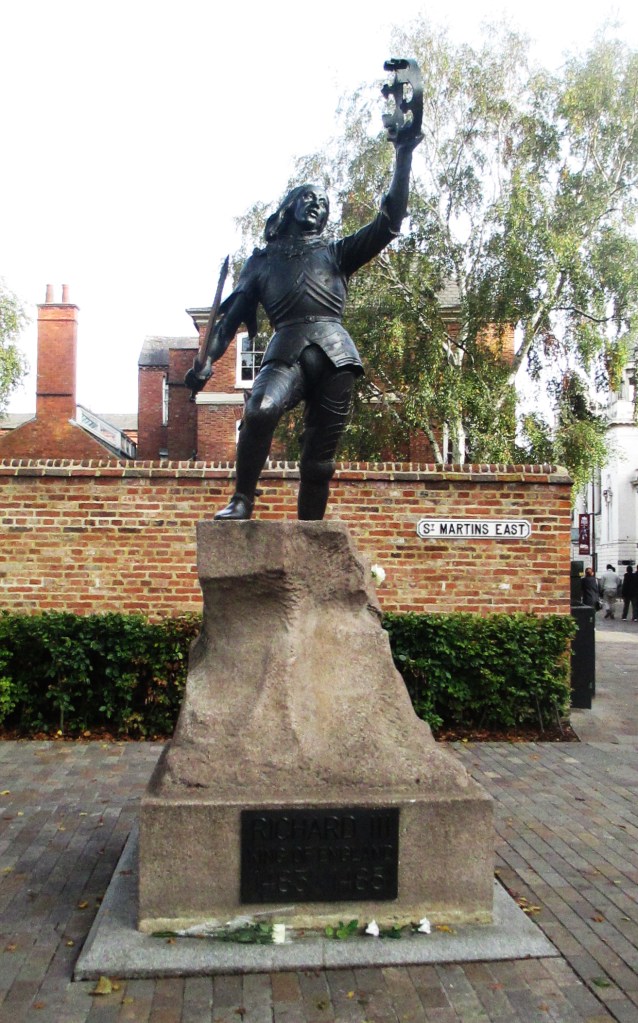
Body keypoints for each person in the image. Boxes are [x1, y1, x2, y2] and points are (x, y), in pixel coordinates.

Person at [187, 80, 422, 520]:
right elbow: (227, 322)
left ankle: (311, 538)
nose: (317, 206)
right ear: (290, 206)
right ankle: (242, 499)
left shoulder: (336, 253)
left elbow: (390, 220)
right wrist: (207, 361)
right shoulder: (261, 262)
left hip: (336, 356)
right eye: (308, 199)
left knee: (319, 462)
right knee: (259, 408)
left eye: (324, 203)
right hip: (287, 351)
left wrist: (403, 153)